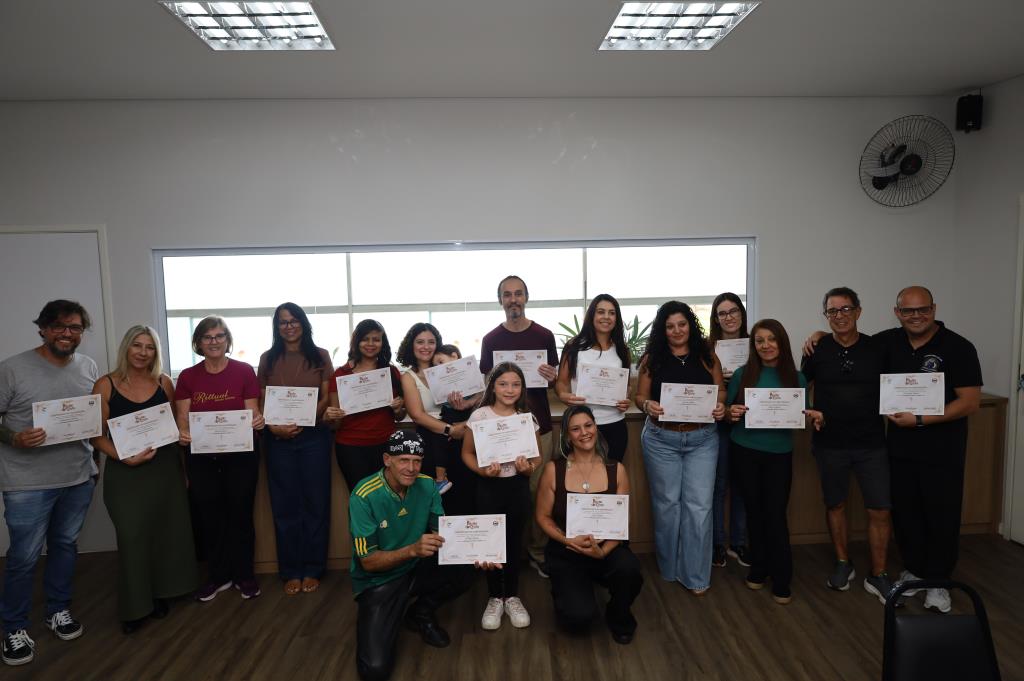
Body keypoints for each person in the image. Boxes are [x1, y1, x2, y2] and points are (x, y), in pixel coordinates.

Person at [0, 300, 99, 666]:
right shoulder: (11, 369)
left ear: (82, 332)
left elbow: (92, 419)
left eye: (74, 328)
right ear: (42, 328)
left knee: (64, 546)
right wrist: (14, 438)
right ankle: (13, 627)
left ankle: (58, 609)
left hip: (77, 476)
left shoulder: (88, 366)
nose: (66, 334)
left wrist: (94, 465)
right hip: (26, 482)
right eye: (58, 326)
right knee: (24, 557)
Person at [877, 286, 982, 614]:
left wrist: (921, 419)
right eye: (908, 311)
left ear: (934, 309)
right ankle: (915, 571)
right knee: (907, 514)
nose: (916, 316)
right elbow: (852, 343)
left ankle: (938, 582)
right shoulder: (887, 342)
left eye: (923, 309)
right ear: (897, 313)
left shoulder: (959, 347)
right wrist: (820, 335)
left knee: (941, 515)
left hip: (942, 451)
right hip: (900, 449)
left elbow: (970, 402)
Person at [90, 325, 198, 633]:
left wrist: (184, 471)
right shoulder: (105, 384)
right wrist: (122, 456)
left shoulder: (164, 382)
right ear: (126, 347)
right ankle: (135, 606)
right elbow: (95, 435)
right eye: (137, 345)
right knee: (132, 536)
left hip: (165, 470)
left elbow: (175, 428)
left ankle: (162, 593)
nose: (143, 352)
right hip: (125, 471)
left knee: (166, 533)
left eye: (150, 347)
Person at [349, 431, 481, 681]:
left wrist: (478, 551)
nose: (411, 468)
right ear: (387, 459)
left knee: (465, 570)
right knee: (374, 671)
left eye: (417, 461)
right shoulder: (363, 495)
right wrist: (412, 550)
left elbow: (443, 532)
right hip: (378, 580)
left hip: (415, 565)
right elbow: (368, 562)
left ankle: (420, 612)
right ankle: (387, 612)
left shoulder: (427, 484)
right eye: (403, 460)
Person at [799, 287, 896, 602]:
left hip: (872, 444)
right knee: (835, 504)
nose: (839, 316)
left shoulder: (877, 348)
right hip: (829, 444)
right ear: (825, 315)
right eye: (832, 311)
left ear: (858, 311)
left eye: (845, 309)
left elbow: (895, 387)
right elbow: (800, 387)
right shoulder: (816, 349)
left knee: (879, 508)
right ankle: (843, 562)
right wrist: (809, 411)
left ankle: (878, 574)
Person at [634, 301, 725, 595]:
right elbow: (640, 397)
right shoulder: (652, 359)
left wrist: (720, 405)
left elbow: (720, 390)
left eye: (682, 324)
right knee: (667, 506)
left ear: (691, 325)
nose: (676, 331)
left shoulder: (707, 355)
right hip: (661, 440)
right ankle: (670, 567)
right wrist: (647, 405)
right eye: (670, 326)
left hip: (702, 439)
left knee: (700, 507)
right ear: (663, 330)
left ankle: (696, 575)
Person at [175, 316, 265, 602]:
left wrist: (258, 421)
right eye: (207, 337)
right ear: (198, 343)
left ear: (227, 340)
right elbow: (183, 420)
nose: (214, 341)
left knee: (241, 515)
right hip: (202, 459)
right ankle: (218, 575)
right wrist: (183, 433)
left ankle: (244, 574)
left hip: (241, 457)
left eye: (219, 336)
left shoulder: (244, 372)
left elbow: (252, 412)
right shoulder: (187, 377)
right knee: (210, 517)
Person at [535, 405, 643, 644]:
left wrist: (602, 551)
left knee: (629, 570)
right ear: (567, 436)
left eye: (588, 425)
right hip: (567, 550)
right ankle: (564, 590)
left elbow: (622, 520)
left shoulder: (617, 470)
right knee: (578, 618)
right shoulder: (554, 469)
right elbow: (542, 517)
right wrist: (567, 539)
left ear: (596, 427)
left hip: (606, 548)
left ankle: (619, 614)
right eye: (575, 429)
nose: (584, 432)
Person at [479, 275, 559, 577]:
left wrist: (552, 377)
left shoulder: (544, 335)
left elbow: (554, 383)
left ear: (526, 297)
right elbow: (487, 386)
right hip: (499, 432)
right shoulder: (490, 340)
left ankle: (537, 553)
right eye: (507, 295)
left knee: (539, 493)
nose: (513, 299)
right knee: (504, 494)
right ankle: (504, 555)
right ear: (500, 300)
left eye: (518, 294)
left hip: (539, 429)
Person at [726, 319, 810, 605]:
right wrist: (731, 412)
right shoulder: (742, 374)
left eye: (771, 339)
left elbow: (802, 415)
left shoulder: (796, 378)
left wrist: (813, 416)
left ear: (782, 342)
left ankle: (782, 576)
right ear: (754, 346)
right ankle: (759, 568)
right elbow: (728, 411)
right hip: (745, 450)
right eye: (760, 341)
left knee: (775, 515)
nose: (766, 345)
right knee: (754, 512)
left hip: (779, 454)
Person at [257, 303, 334, 596]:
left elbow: (326, 398)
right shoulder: (268, 359)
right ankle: (290, 570)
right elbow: (262, 400)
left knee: (316, 503)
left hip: (314, 436)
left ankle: (313, 568)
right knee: (285, 506)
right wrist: (274, 428)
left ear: (303, 323)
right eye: (283, 322)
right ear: (276, 327)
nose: (289, 326)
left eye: (293, 321)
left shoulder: (321, 355)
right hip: (278, 439)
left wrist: (306, 418)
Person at [460, 362, 540, 630]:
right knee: (491, 543)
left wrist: (528, 469)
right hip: (488, 487)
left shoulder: (526, 416)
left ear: (522, 388)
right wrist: (482, 471)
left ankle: (512, 597)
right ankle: (495, 597)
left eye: (516, 384)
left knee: (514, 542)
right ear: (492, 387)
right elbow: (466, 453)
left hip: (517, 486)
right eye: (503, 384)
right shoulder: (479, 416)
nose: (509, 389)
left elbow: (536, 458)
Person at [326, 319, 404, 493]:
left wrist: (398, 409)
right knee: (360, 496)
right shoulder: (341, 374)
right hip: (351, 447)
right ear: (356, 342)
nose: (370, 344)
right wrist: (330, 416)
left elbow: (399, 416)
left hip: (386, 444)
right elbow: (335, 424)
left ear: (383, 343)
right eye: (365, 339)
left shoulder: (391, 372)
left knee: (387, 495)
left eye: (376, 339)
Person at [555, 294, 632, 462]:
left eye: (612, 313)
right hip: (581, 424)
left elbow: (626, 386)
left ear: (617, 318)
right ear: (592, 315)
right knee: (579, 475)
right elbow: (561, 382)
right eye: (601, 312)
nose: (606, 317)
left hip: (615, 423)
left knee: (611, 474)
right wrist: (563, 395)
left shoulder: (622, 349)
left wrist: (626, 399)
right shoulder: (574, 346)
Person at [707, 292, 750, 569]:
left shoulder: (756, 345)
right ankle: (717, 543)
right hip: (718, 423)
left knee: (742, 485)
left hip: (748, 422)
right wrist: (717, 380)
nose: (729, 317)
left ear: (741, 314)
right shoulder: (706, 349)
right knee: (719, 485)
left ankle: (739, 541)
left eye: (733, 311)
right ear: (716, 319)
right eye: (722, 313)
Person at [397, 323, 466, 491]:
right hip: (431, 443)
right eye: (420, 342)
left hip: (460, 437)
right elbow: (417, 415)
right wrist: (450, 430)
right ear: (411, 345)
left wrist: (463, 414)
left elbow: (475, 397)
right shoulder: (408, 377)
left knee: (462, 491)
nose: (426, 347)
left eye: (431, 342)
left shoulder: (450, 370)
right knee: (434, 496)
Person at [430, 345, 477, 516]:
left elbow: (482, 394)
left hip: (469, 417)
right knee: (440, 439)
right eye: (435, 365)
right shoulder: (439, 380)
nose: (439, 367)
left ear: (455, 356)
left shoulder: (471, 373)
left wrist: (469, 403)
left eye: (441, 361)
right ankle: (441, 479)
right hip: (448, 416)